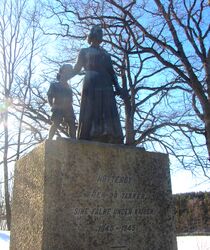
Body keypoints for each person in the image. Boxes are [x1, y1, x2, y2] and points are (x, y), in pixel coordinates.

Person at [70, 25, 124, 144]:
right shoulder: (84, 51)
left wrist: (118, 87)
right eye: (98, 32)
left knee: (107, 109)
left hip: (106, 83)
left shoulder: (105, 53)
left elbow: (111, 72)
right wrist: (65, 77)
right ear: (92, 35)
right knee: (91, 108)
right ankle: (91, 133)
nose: (100, 35)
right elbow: (77, 68)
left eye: (101, 33)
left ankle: (108, 134)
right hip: (91, 81)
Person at [47, 64, 76, 139]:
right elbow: (50, 96)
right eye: (65, 72)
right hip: (58, 106)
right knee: (56, 123)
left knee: (72, 123)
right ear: (61, 73)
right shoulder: (54, 85)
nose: (66, 75)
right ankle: (49, 139)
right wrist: (52, 105)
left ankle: (73, 140)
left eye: (68, 73)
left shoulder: (69, 88)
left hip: (69, 108)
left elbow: (71, 100)